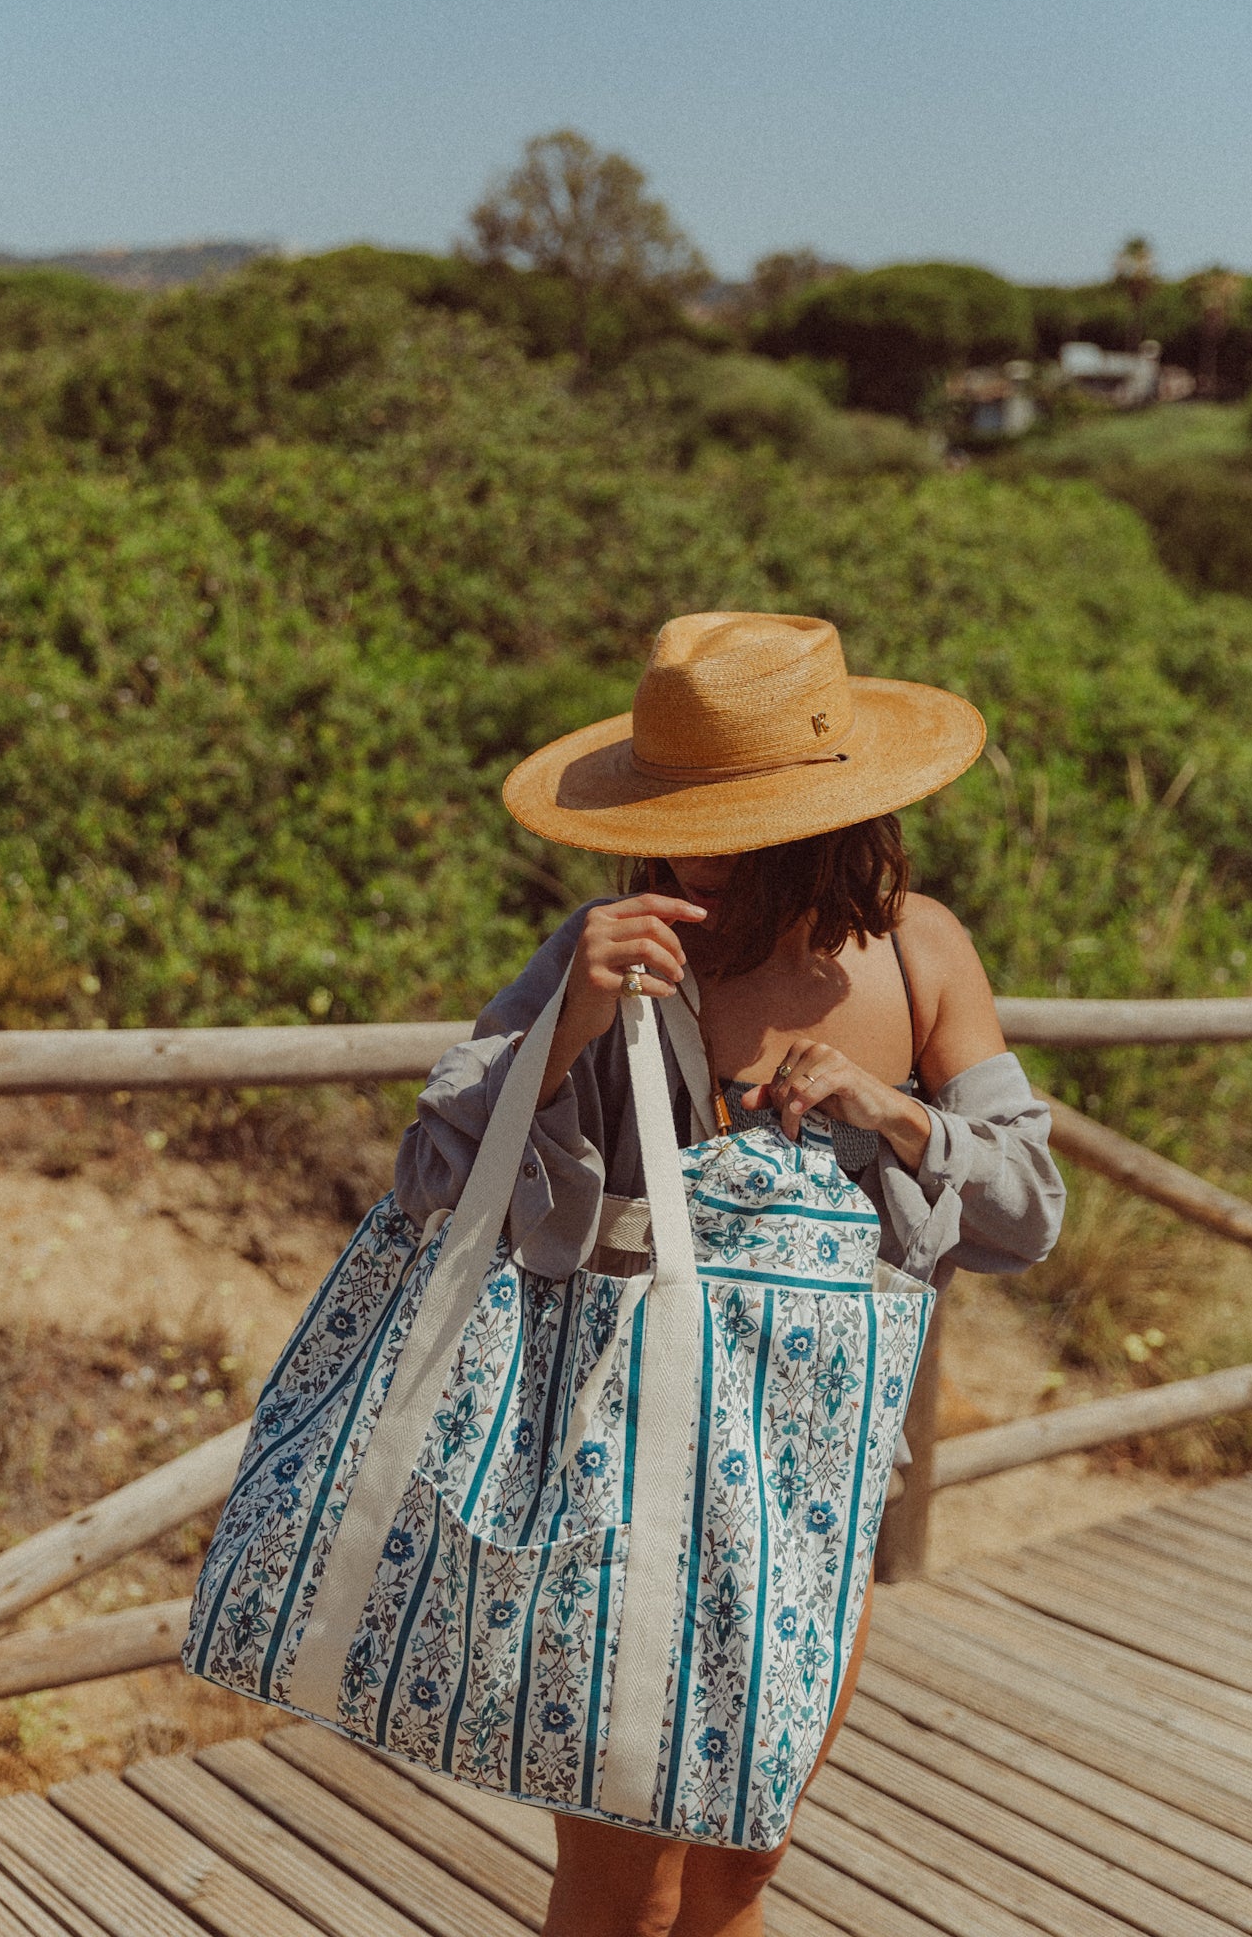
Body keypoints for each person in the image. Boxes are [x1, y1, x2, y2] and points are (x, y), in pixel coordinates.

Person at [395, 612, 1064, 1937]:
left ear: (817, 809)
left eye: (724, 805)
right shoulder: (609, 943)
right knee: (620, 1878)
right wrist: (569, 1024)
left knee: (741, 1860)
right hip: (615, 1459)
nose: (685, 837)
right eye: (675, 804)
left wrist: (897, 1112)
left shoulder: (922, 951)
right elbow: (429, 1167)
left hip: (823, 1481)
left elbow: (1027, 1207)